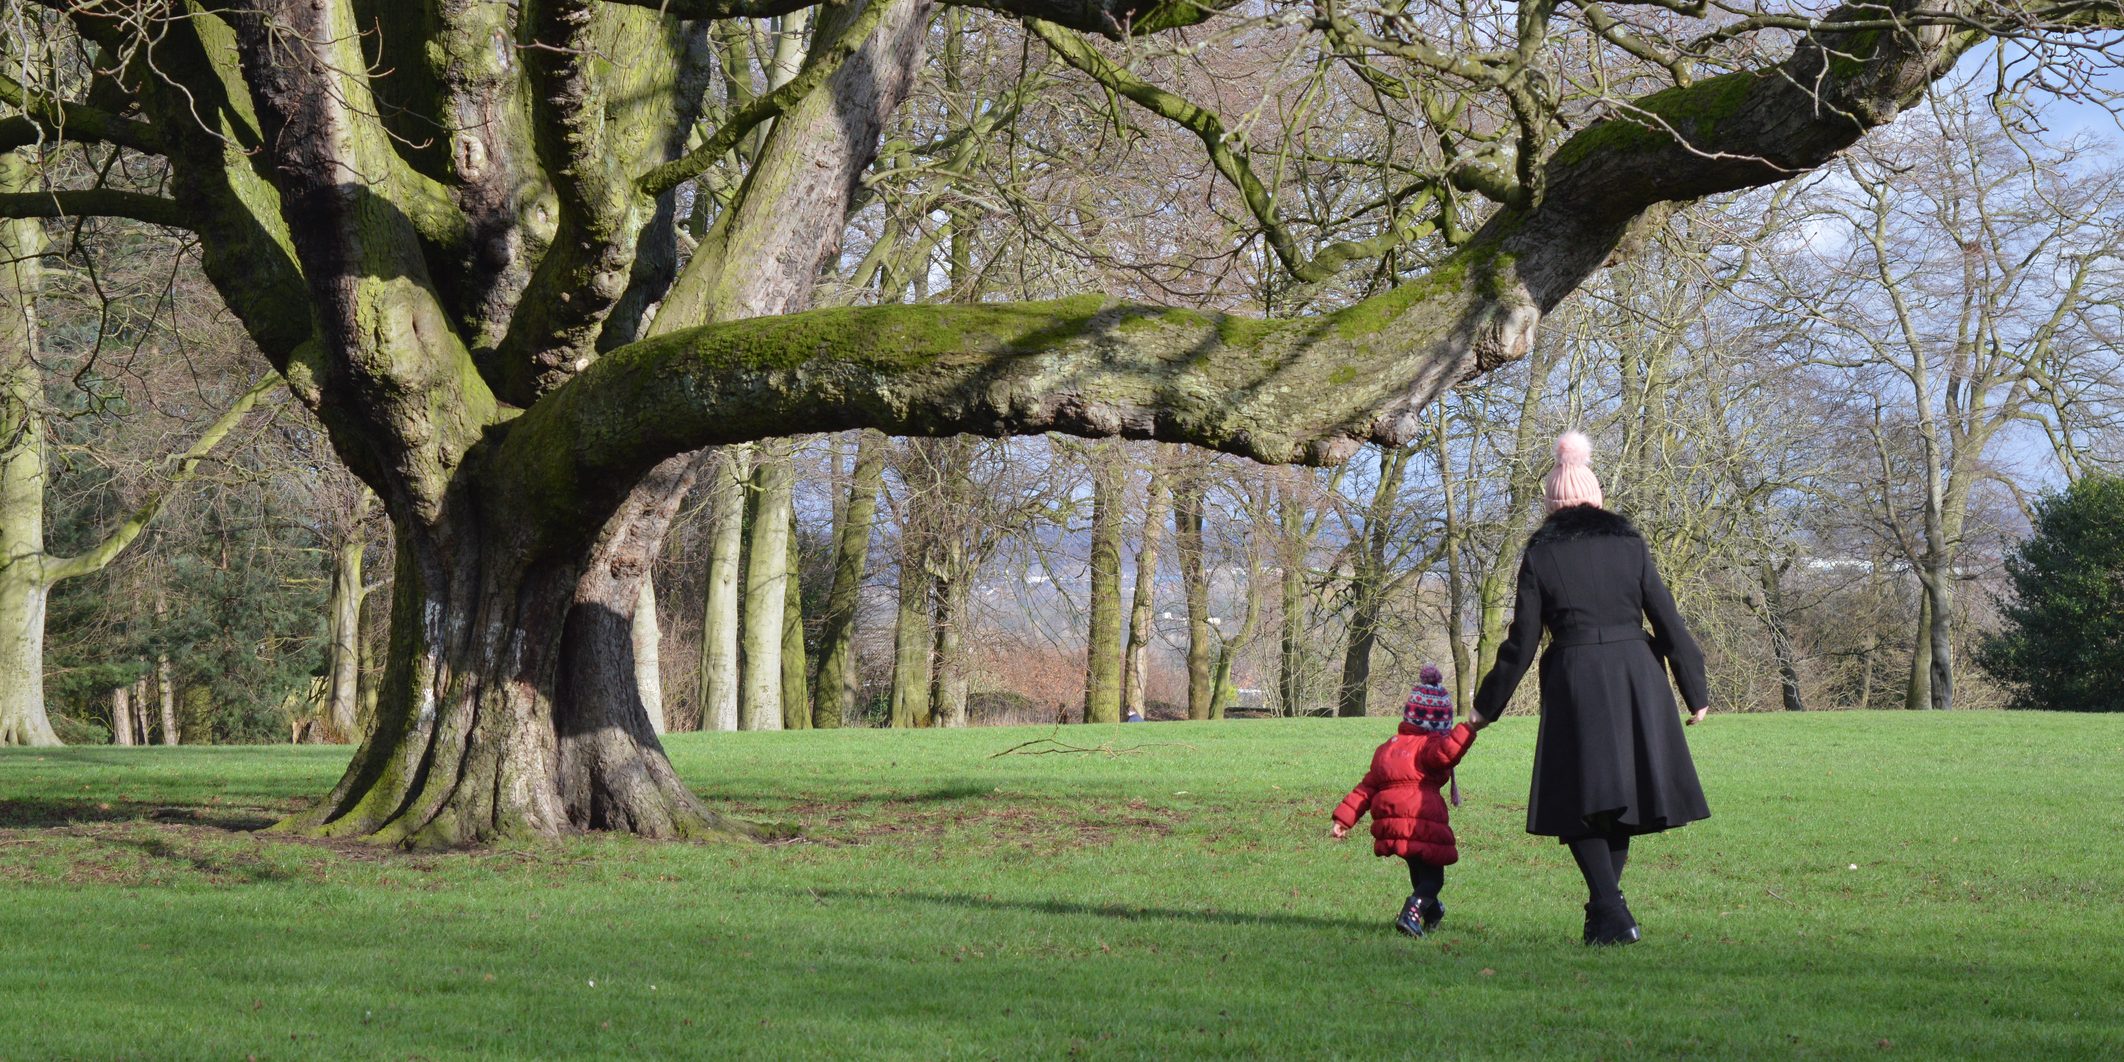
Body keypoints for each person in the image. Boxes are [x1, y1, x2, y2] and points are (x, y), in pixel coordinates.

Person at [1469, 431, 1710, 946]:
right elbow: (1668, 620)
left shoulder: (1541, 554)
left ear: (1552, 504)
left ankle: (1610, 910)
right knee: (1619, 796)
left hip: (1576, 678)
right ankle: (1608, 914)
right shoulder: (1630, 545)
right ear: (1596, 498)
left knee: (1579, 797)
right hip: (1636, 676)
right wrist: (1696, 689)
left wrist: (1486, 707)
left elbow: (1523, 641)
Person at [1329, 665, 1477, 937]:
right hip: (1421, 818)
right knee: (1433, 878)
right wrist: (1469, 727)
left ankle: (1432, 911)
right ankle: (1411, 912)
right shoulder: (1430, 747)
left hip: (1391, 824)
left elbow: (1366, 787)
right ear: (1439, 724)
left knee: (1419, 871)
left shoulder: (1389, 747)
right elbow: (1449, 751)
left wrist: (1343, 819)